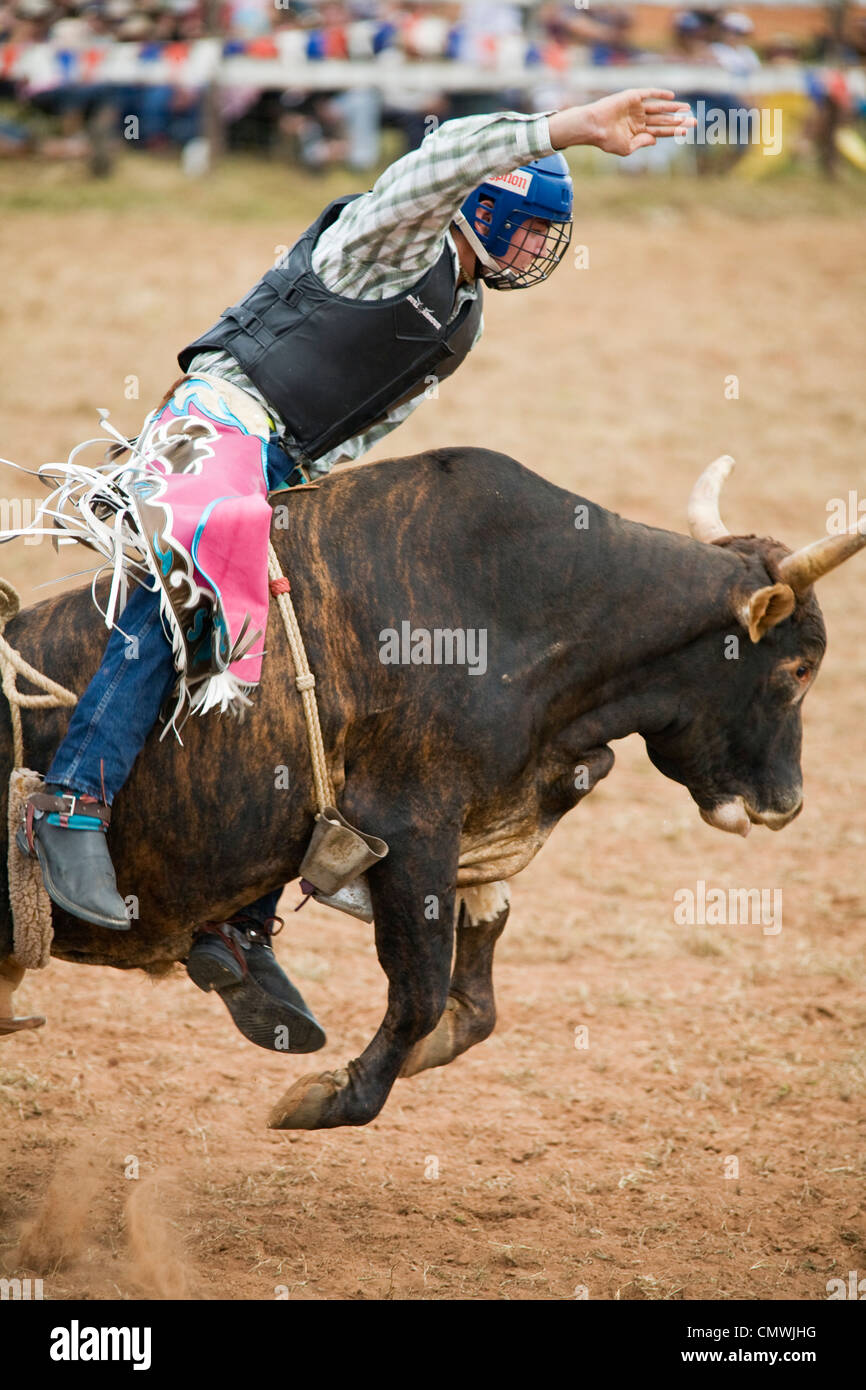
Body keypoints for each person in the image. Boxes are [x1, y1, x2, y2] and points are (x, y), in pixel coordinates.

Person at [17, 89, 694, 1051]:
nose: (544, 248)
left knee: (302, 674)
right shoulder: (390, 240)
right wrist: (572, 126)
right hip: (215, 423)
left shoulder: (460, 316)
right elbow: (444, 154)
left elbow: (353, 434)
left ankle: (232, 919)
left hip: (283, 470)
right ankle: (71, 805)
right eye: (533, 225)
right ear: (484, 206)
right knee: (195, 596)